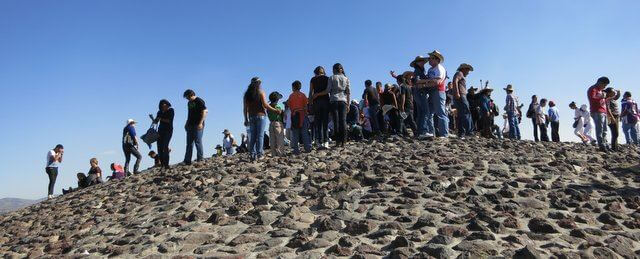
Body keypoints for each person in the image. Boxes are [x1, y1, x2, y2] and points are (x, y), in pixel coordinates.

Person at [243, 77, 281, 161]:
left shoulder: (246, 95)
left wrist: (245, 119)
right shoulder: (260, 92)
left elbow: (245, 108)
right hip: (261, 116)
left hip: (251, 117)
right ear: (258, 84)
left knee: (253, 136)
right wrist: (275, 110)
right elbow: (265, 105)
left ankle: (252, 155)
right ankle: (260, 154)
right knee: (260, 136)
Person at [325, 63, 351, 147]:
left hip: (334, 100)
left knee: (336, 121)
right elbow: (348, 92)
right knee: (343, 121)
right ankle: (344, 141)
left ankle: (338, 141)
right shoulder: (346, 78)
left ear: (334, 69)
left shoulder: (331, 78)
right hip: (343, 101)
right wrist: (348, 104)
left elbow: (328, 90)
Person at [426, 50, 448, 137]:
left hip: (438, 91)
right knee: (429, 113)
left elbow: (438, 82)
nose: (429, 60)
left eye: (431, 58)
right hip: (431, 92)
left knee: (440, 113)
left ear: (437, 59)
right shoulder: (430, 69)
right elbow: (432, 81)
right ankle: (432, 133)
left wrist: (424, 83)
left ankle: (444, 134)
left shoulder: (440, 68)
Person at [183, 89, 208, 164]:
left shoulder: (199, 101)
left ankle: (200, 159)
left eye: (187, 97)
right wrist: (186, 123)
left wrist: (200, 123)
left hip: (198, 124)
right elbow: (189, 114)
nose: (187, 99)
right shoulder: (189, 103)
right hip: (190, 124)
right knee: (189, 143)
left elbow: (205, 111)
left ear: (191, 95)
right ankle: (187, 160)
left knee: (198, 141)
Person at [288, 80, 312, 154]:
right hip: (303, 115)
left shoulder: (291, 96)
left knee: (295, 134)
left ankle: (296, 150)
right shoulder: (303, 95)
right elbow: (305, 106)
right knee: (304, 133)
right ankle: (307, 148)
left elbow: (290, 107)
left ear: (293, 87)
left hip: (295, 115)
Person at [410, 56, 432, 138]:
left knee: (420, 113)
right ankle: (423, 131)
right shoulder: (417, 71)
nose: (423, 62)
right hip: (421, 93)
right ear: (417, 63)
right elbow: (417, 81)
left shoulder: (418, 70)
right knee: (425, 112)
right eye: (420, 61)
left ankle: (419, 132)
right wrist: (428, 80)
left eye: (423, 61)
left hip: (418, 93)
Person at [309, 66, 331, 149]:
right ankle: (326, 142)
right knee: (325, 122)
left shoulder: (313, 79)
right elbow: (328, 91)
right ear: (323, 71)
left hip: (316, 102)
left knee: (318, 122)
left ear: (315, 72)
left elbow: (310, 92)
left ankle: (319, 142)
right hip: (326, 101)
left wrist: (310, 103)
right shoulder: (327, 78)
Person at [587, 76, 611, 152]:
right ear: (600, 82)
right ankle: (602, 146)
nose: (604, 87)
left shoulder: (601, 90)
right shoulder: (593, 89)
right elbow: (592, 98)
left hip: (603, 112)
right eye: (604, 85)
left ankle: (605, 144)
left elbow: (603, 101)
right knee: (600, 130)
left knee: (605, 130)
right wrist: (601, 96)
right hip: (597, 111)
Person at [150, 99, 174, 169]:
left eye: (164, 104)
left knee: (165, 146)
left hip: (168, 130)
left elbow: (169, 120)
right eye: (162, 105)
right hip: (160, 131)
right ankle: (163, 164)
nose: (163, 106)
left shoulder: (171, 110)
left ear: (167, 104)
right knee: (159, 147)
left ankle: (166, 164)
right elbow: (156, 122)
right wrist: (153, 119)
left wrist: (160, 118)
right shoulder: (159, 112)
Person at [453, 64, 474, 138]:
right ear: (464, 69)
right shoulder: (460, 73)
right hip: (461, 95)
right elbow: (455, 81)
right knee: (466, 113)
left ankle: (461, 133)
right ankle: (469, 132)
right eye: (468, 70)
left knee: (461, 114)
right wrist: (457, 92)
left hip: (460, 95)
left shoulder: (460, 74)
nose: (468, 72)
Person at [267, 92, 285, 156]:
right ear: (277, 99)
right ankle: (280, 154)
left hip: (271, 123)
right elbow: (281, 114)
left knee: (272, 140)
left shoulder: (268, 106)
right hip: (278, 123)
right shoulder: (278, 106)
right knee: (279, 140)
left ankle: (273, 154)